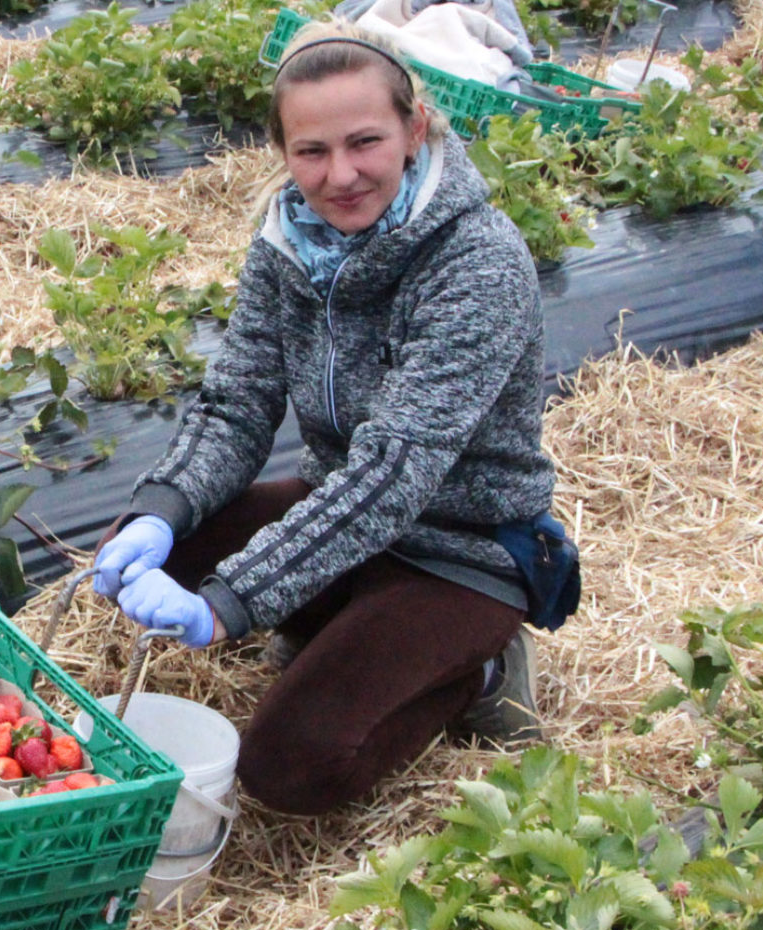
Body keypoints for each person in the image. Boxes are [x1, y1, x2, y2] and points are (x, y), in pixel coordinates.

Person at [92, 20, 557, 817]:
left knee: (288, 769)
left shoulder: (476, 263)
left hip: (458, 549)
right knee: (149, 554)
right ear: (283, 152)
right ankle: (340, 614)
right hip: (341, 510)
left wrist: (233, 600)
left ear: (414, 129)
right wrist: (159, 511)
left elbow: (393, 476)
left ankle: (477, 672)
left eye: (365, 141)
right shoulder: (287, 244)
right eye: (311, 152)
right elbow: (237, 403)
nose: (339, 175)